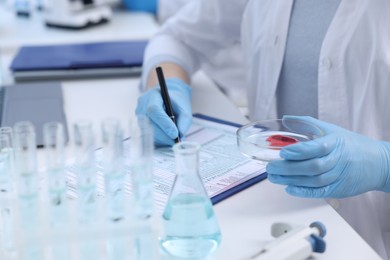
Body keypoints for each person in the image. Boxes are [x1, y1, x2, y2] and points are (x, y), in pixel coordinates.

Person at [135, 0, 390, 258]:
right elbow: (178, 37)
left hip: (370, 233)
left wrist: (383, 166)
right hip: (266, 214)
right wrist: (166, 87)